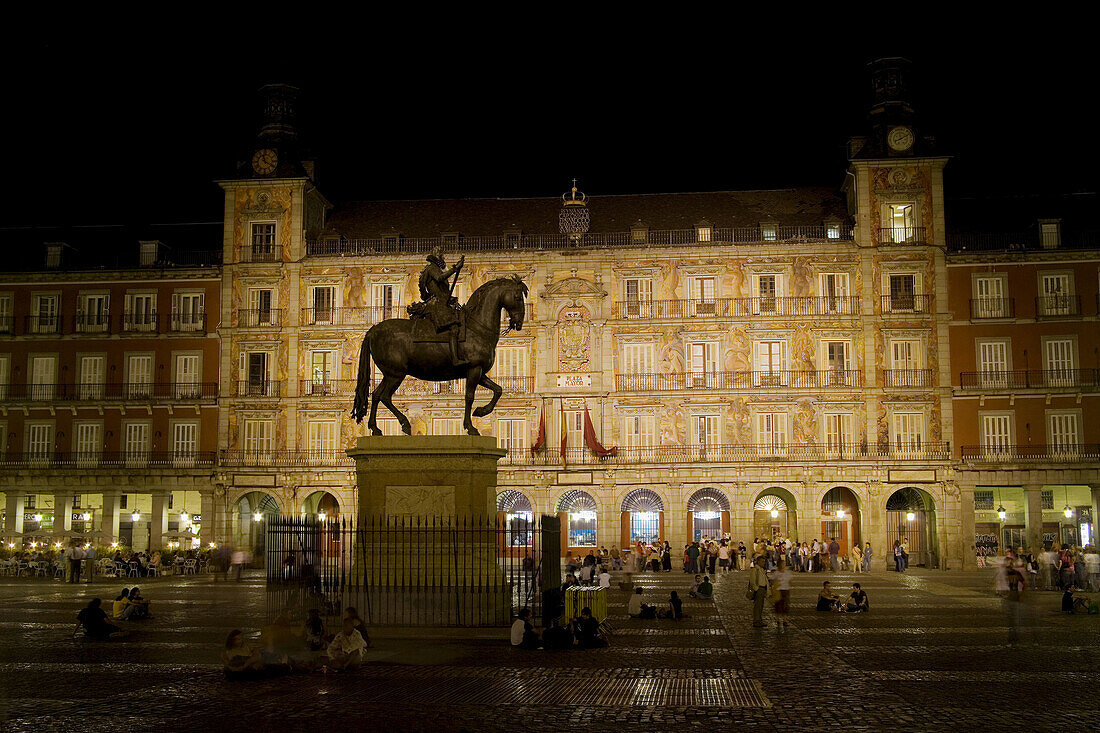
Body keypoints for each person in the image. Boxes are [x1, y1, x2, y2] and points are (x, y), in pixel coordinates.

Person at [748, 555, 769, 627]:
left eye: (764, 562)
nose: (764, 563)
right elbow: (752, 580)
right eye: (762, 561)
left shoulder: (762, 570)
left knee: (761, 606)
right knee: (757, 606)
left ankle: (759, 619)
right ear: (758, 562)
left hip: (763, 589)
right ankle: (756, 620)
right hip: (759, 589)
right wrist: (756, 588)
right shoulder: (755, 570)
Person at [771, 559, 792, 627]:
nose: (784, 565)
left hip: (785, 590)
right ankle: (778, 619)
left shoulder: (787, 573)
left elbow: (790, 581)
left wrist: (789, 588)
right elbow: (772, 581)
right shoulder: (776, 573)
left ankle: (785, 620)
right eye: (783, 564)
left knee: (785, 606)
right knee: (778, 606)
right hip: (778, 590)